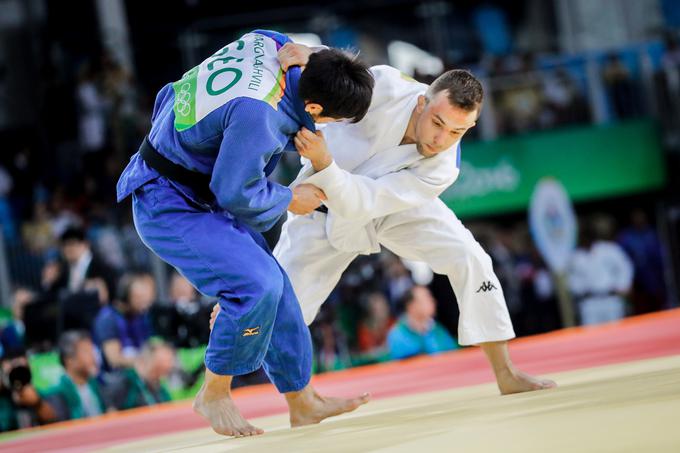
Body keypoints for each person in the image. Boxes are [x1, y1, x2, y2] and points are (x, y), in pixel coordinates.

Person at [116, 30, 375, 437]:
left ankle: (302, 400)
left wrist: (310, 53)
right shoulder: (260, 115)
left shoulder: (271, 42)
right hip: (167, 202)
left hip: (192, 178)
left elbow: (296, 48)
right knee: (258, 285)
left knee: (280, 288)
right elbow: (235, 191)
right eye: (328, 119)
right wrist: (291, 197)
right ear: (312, 105)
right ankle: (214, 393)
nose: (325, 127)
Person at [274, 43, 556, 395]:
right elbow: (343, 72)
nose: (442, 140)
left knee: (469, 256)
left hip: (387, 206)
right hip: (319, 205)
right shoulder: (387, 86)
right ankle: (254, 396)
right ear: (422, 100)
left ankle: (506, 372)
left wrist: (326, 164)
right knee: (278, 301)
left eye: (457, 132)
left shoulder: (442, 169)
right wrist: (310, 53)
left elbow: (367, 201)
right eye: (438, 123)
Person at [93, 272, 155, 370]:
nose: (145, 303)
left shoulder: (142, 317)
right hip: (113, 379)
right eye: (139, 297)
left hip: (137, 374)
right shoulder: (108, 318)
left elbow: (149, 346)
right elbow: (114, 360)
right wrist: (148, 362)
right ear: (125, 297)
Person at [45, 331, 108, 421]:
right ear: (69, 360)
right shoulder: (57, 393)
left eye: (92, 350)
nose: (92, 356)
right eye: (86, 352)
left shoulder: (97, 383)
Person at [387, 286, 457, 359]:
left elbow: (453, 353)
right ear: (411, 306)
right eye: (425, 299)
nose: (432, 301)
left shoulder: (438, 330)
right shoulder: (398, 334)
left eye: (430, 298)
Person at [105, 341, 174, 410]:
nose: (169, 366)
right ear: (149, 360)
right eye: (163, 362)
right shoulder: (126, 383)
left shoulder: (160, 388)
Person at [0, 348, 56, 431]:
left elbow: (54, 421)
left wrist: (37, 403)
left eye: (21, 370)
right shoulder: (3, 397)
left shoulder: (42, 389)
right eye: (10, 371)